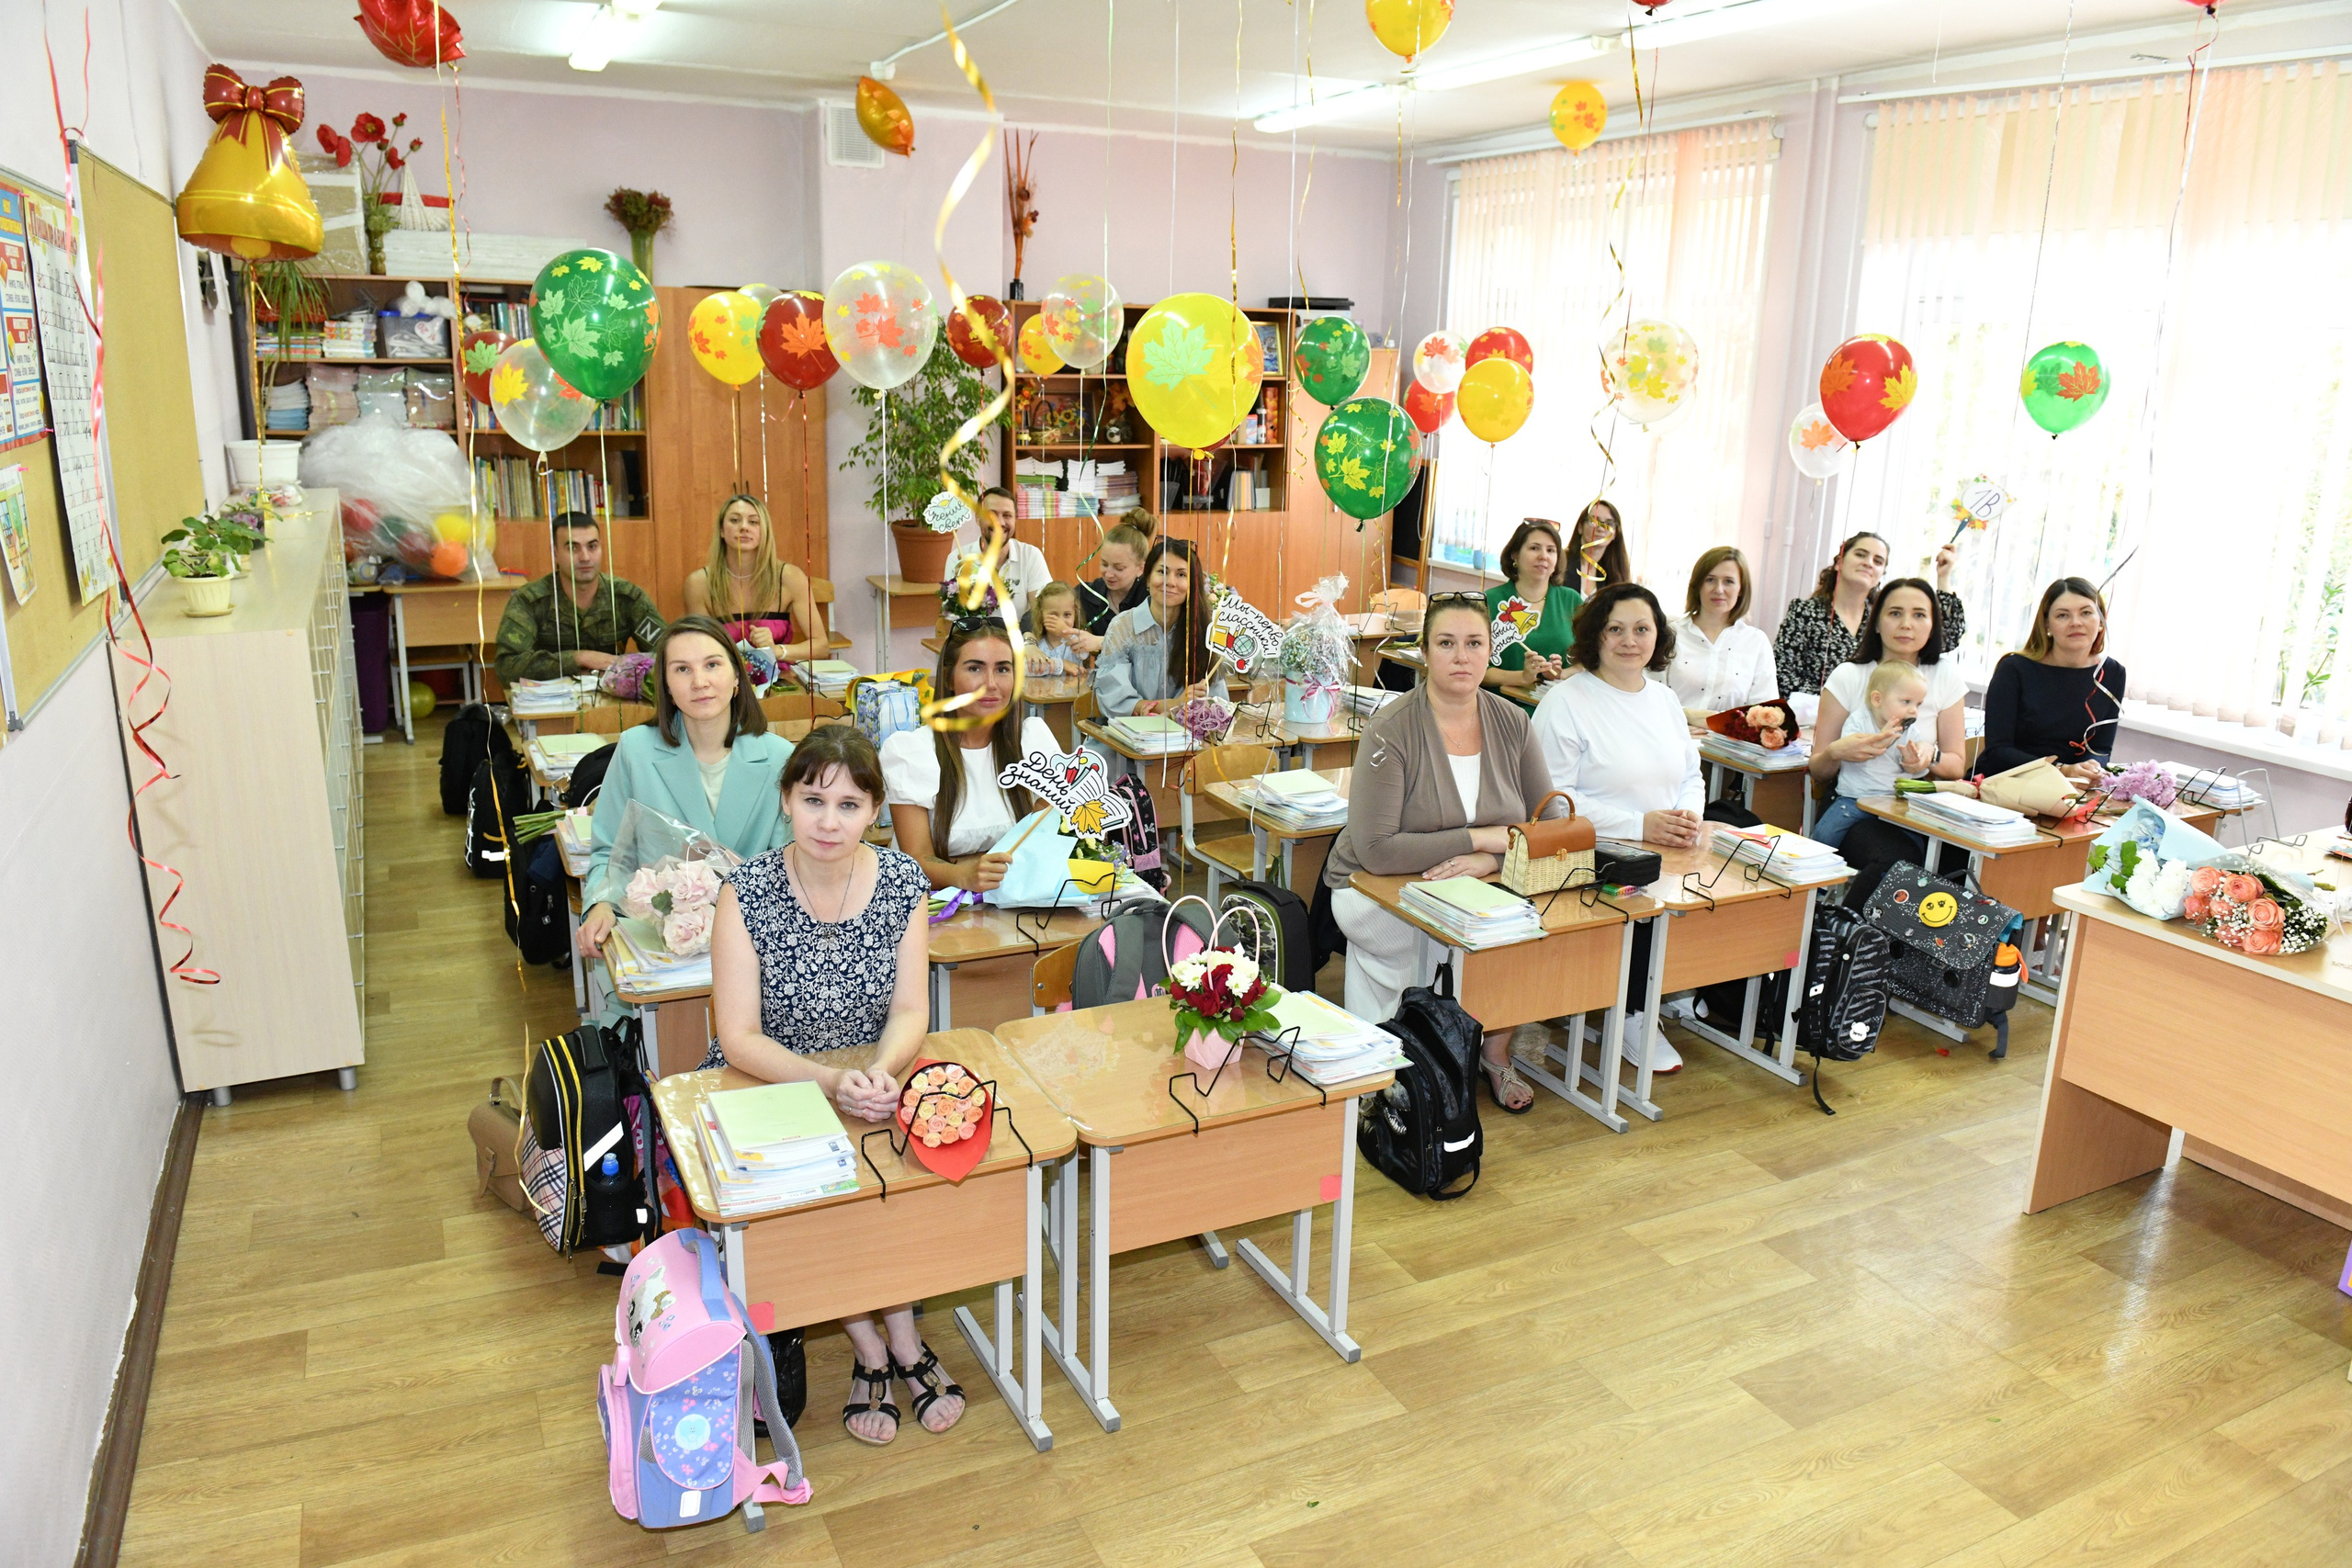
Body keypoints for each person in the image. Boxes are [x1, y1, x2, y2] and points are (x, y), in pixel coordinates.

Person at [707, 724, 958, 1447]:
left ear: (874, 811)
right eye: (813, 798)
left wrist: (880, 1071)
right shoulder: (745, 891)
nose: (828, 820)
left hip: (873, 1070)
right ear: (786, 798)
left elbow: (913, 1008)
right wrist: (831, 1082)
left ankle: (901, 1331)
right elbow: (738, 1036)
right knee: (821, 1189)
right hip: (773, 1080)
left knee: (899, 1174)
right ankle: (875, 1346)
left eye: (849, 805)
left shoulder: (903, 881)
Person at [1324, 593, 1566, 1113]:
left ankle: (1487, 1055)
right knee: (1434, 944)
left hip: (1476, 882)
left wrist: (1494, 861)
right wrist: (1482, 839)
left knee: (1515, 933)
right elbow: (1377, 850)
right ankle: (1389, 1065)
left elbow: (1548, 826)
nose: (1461, 656)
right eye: (1447, 643)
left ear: (1490, 653)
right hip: (1374, 889)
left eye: (1474, 643)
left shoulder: (1513, 722)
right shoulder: (1390, 729)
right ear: (1426, 652)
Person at [1531, 583, 1706, 1074]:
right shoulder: (1566, 701)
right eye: (1616, 629)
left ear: (1659, 637)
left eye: (1642, 629)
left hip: (1667, 845)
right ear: (1595, 636)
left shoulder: (1666, 699)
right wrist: (1639, 825)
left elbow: (1691, 775)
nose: (1630, 640)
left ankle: (1652, 997)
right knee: (1639, 894)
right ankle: (1629, 1014)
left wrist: (1689, 814)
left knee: (1716, 897)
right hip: (1589, 855)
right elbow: (1551, 803)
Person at [573, 617, 795, 957]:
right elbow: (609, 853)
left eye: (712, 665)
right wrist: (600, 904)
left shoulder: (780, 757)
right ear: (666, 687)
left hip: (756, 941)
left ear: (737, 676)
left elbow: (792, 864)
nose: (700, 682)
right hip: (661, 940)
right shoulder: (635, 750)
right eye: (682, 670)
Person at [1809, 578, 1971, 879]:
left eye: (1919, 615)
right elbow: (1818, 769)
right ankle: (1845, 925)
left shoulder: (1944, 675)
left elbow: (1956, 766)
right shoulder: (1849, 675)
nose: (1906, 624)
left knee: (1965, 862)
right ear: (1877, 623)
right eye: (1895, 613)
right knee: (1894, 860)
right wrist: (1837, 751)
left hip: (1915, 804)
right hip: (1855, 803)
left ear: (1933, 625)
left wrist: (1929, 756)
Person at [882, 620, 1059, 892]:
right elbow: (915, 859)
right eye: (975, 668)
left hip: (1018, 902)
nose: (990, 684)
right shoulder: (912, 751)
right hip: (938, 907)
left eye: (1002, 669)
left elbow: (1046, 840)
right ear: (949, 678)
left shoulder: (1033, 741)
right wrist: (961, 875)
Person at [1774, 531, 1966, 695]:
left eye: (1878, 561)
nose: (1868, 563)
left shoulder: (1883, 618)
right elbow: (1782, 675)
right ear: (1838, 562)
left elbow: (1946, 638)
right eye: (1860, 554)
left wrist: (1944, 577)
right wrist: (1839, 700)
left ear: (1881, 574)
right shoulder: (1804, 612)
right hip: (1813, 720)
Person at [1980, 578, 2125, 782]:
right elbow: (1998, 751)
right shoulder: (2014, 669)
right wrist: (2060, 769)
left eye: (2086, 612)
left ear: (2101, 621)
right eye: (2063, 615)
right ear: (2047, 624)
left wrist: (2091, 768)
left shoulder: (2112, 673)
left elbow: (2100, 748)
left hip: (2071, 789)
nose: (2076, 622)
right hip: (2006, 784)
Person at [493, 512, 664, 683]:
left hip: (610, 700)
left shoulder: (627, 598)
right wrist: (578, 658)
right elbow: (506, 666)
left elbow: (667, 654)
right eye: (573, 548)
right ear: (555, 553)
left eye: (592, 546)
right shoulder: (530, 601)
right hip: (548, 704)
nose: (585, 557)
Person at [680, 492, 831, 660]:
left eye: (753, 522)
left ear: (764, 531)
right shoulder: (698, 583)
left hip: (780, 679)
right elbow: (699, 648)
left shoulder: (790, 577)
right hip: (724, 679)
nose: (744, 527)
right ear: (722, 530)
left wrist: (778, 651)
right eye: (735, 520)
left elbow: (821, 646)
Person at [1811, 661, 1928, 852]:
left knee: (1916, 843)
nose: (1914, 710)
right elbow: (1858, 750)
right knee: (1823, 835)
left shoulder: (1909, 729)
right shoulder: (1858, 721)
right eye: (1906, 702)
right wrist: (1883, 736)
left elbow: (1911, 765)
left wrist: (1911, 761)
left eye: (1918, 704)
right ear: (1877, 699)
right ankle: (1814, 874)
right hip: (1854, 798)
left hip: (1893, 801)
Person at [1096, 536, 1215, 719]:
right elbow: (1115, 700)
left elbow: (1216, 703)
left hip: (1187, 739)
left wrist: (1172, 712)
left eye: (1181, 574)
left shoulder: (1205, 630)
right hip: (1127, 737)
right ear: (1147, 578)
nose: (1170, 582)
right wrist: (1175, 704)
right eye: (1162, 571)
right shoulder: (1123, 627)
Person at [1667, 545, 1779, 726]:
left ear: (1741, 589)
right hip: (1671, 737)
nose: (1719, 589)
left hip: (1728, 748)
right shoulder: (1670, 634)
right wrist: (1689, 717)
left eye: (1729, 581)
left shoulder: (1756, 642)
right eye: (1710, 580)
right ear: (1697, 585)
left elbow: (1765, 712)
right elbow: (1650, 696)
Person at [1482, 518, 1581, 710]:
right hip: (1501, 710)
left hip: (1558, 710)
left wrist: (1563, 674)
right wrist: (1522, 677)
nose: (1543, 556)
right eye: (1535, 548)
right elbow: (1474, 669)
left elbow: (1593, 660)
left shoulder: (1571, 600)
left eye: (1551, 550)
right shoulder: (1491, 601)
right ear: (1515, 556)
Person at [947, 485, 1054, 622]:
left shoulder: (1030, 555)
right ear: (978, 518)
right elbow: (951, 618)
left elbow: (1041, 611)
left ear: (1015, 519)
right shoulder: (958, 559)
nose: (999, 522)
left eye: (1007, 515)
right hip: (974, 639)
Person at [1076, 522, 1150, 642]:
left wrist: (1101, 643)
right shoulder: (1088, 593)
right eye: (1104, 564)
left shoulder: (1152, 598)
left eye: (1119, 568)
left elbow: (1153, 645)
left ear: (1140, 568)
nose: (1109, 574)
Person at [1563, 500, 1632, 595]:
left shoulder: (1616, 573)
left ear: (1615, 534)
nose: (1601, 528)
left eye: (1609, 524)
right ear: (1580, 527)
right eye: (1594, 522)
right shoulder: (1562, 562)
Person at [1025, 582, 1089, 676]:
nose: (1060, 622)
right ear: (1041, 615)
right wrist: (1061, 664)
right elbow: (1026, 669)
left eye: (1067, 615)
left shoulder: (1075, 640)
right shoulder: (1037, 642)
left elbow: (1084, 654)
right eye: (1054, 615)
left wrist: (1067, 634)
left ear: (1075, 614)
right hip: (1043, 690)